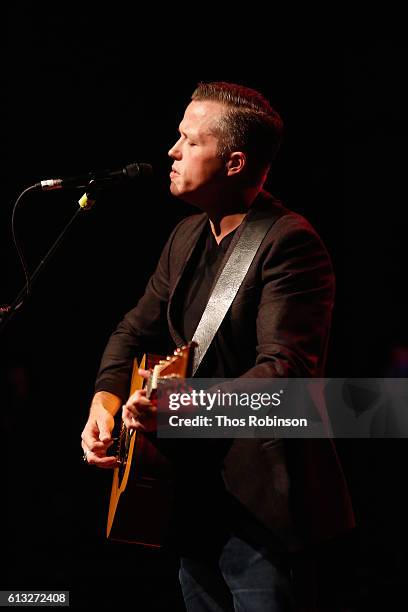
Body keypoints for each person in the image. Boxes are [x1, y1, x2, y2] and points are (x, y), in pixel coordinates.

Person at [81, 81, 355, 611]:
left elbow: (286, 375)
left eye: (189, 141)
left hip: (262, 511)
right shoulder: (185, 236)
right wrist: (106, 401)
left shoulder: (287, 241)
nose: (172, 151)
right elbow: (132, 331)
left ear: (233, 163)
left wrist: (178, 408)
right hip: (192, 499)